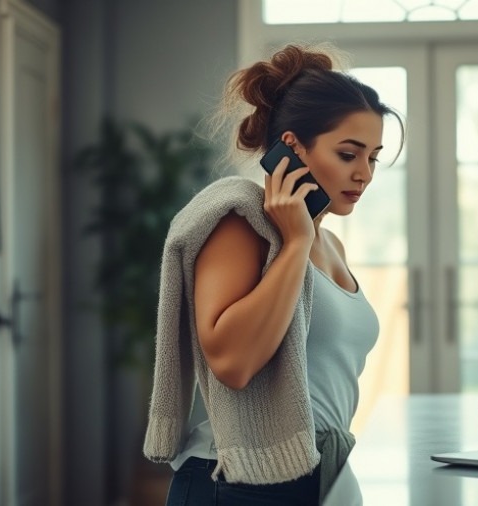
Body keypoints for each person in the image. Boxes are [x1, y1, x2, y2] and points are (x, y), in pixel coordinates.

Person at [143, 43, 402, 506]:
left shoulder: (331, 245)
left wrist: (305, 238)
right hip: (235, 483)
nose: (364, 174)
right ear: (292, 148)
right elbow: (233, 364)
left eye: (373, 157)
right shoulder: (240, 222)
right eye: (348, 154)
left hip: (315, 472)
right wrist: (296, 244)